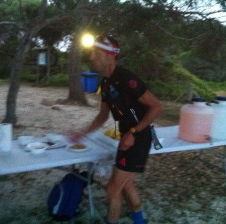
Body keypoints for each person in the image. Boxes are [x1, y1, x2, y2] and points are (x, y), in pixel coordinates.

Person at [69, 35, 163, 224]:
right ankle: (139, 220)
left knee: (113, 189)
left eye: (96, 53)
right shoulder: (105, 83)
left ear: (110, 55)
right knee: (126, 185)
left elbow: (156, 107)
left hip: (138, 138)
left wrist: (133, 133)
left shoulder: (126, 78)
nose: (92, 57)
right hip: (126, 137)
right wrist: (83, 134)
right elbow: (103, 116)